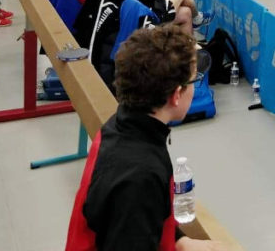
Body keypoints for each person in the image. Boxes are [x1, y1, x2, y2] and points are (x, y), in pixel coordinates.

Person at [64, 25, 227, 251]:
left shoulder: (124, 124)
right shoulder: (140, 176)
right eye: (193, 81)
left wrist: (181, 241)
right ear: (176, 95)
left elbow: (145, 219)